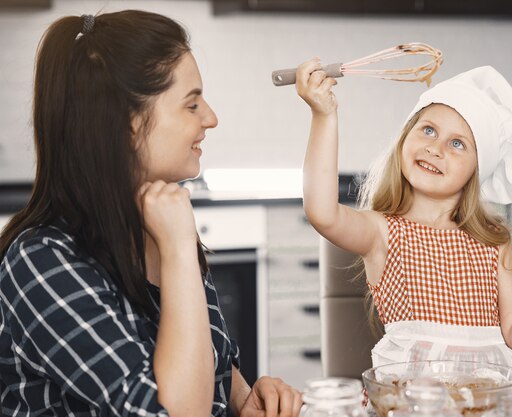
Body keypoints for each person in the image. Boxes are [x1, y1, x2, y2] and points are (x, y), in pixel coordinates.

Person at [0, 11, 302, 417]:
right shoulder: (41, 261)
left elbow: (209, 366)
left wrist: (246, 398)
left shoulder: (162, 222)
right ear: (127, 122)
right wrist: (178, 249)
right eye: (191, 104)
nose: (210, 118)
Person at [294, 60, 512, 373]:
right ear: (404, 137)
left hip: (485, 400)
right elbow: (322, 213)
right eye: (428, 130)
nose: (435, 148)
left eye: (457, 143)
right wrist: (323, 114)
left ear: (477, 169)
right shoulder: (382, 232)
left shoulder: (494, 240)